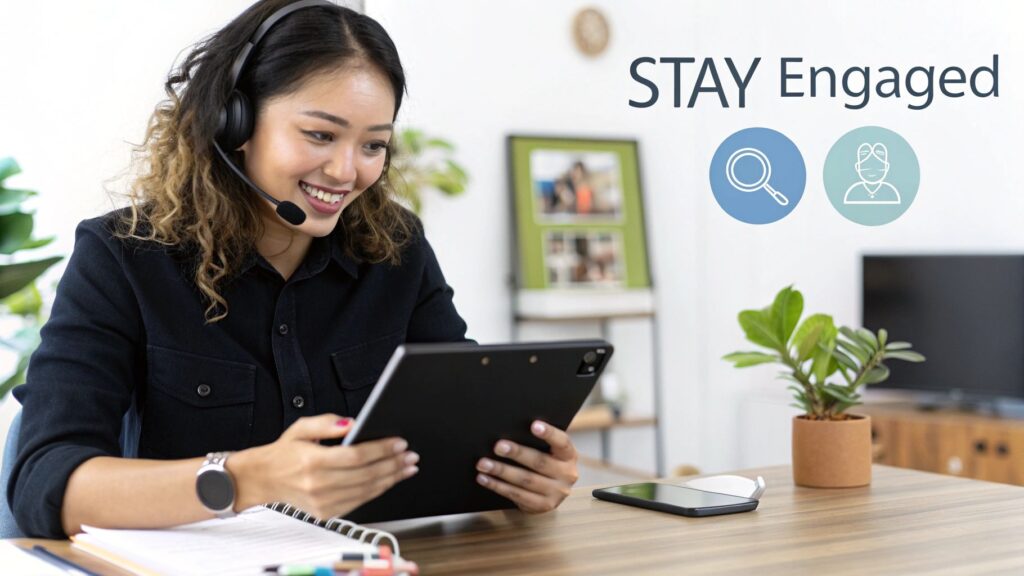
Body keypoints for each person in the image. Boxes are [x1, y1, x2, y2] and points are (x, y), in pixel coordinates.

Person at [7, 0, 580, 539]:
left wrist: (523, 472)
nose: (346, 171)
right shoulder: (122, 256)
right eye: (320, 134)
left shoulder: (397, 249)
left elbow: (463, 419)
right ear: (234, 122)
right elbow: (45, 482)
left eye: (373, 146)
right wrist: (245, 478)